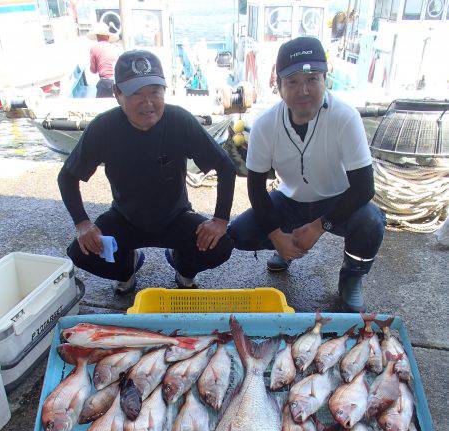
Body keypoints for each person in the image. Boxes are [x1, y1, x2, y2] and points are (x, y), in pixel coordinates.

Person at [228, 37, 386, 312]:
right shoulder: (265, 125)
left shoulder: (345, 117)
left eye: (312, 79)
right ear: (279, 87)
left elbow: (363, 187)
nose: (303, 90)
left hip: (338, 201)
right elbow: (255, 188)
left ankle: (352, 277)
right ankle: (285, 249)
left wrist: (318, 226)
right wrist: (277, 235)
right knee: (239, 233)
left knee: (370, 220)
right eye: (292, 82)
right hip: (289, 199)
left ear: (326, 80)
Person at [58, 49, 236, 293]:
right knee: (81, 252)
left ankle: (182, 265)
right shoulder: (103, 127)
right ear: (117, 94)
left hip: (176, 216)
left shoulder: (179, 120)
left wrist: (220, 220)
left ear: (164, 91)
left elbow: (225, 165)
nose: (148, 102)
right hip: (125, 218)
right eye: (136, 94)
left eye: (155, 91)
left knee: (222, 244)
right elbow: (67, 177)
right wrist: (83, 224)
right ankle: (127, 266)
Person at [88, 22, 119, 98]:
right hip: (118, 80)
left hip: (105, 81)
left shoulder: (94, 48)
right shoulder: (114, 47)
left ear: (97, 37)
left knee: (100, 106)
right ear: (108, 37)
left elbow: (93, 70)